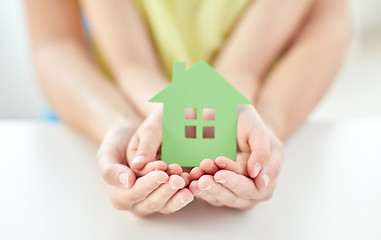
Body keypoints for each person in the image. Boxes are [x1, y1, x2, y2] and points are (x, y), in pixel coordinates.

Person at [26, 0, 351, 216]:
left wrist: (266, 123)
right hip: (96, 113)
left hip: (274, 103)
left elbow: (329, 19)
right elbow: (57, 42)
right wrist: (121, 122)